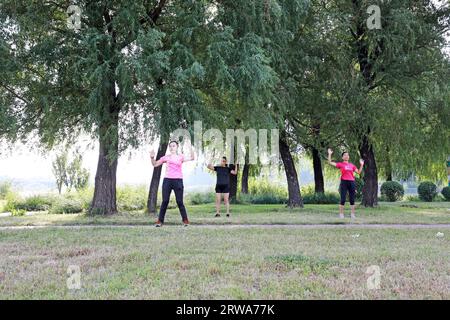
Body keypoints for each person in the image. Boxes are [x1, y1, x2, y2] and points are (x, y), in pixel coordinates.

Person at [150, 140, 195, 227]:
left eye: (173, 146)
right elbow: (155, 164)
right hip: (167, 180)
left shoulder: (180, 157)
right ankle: (160, 221)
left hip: (178, 180)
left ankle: (185, 221)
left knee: (179, 201)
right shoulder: (166, 157)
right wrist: (152, 157)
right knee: (165, 201)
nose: (171, 147)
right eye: (170, 146)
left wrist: (191, 148)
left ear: (177, 147)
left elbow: (192, 158)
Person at [327, 148, 364, 219]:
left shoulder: (352, 165)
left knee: (352, 199)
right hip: (344, 182)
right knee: (343, 199)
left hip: (352, 182)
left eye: (347, 155)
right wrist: (329, 154)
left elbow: (358, 172)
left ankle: (352, 214)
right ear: (342, 157)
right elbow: (330, 162)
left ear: (348, 157)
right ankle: (341, 214)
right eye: (345, 155)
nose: (346, 156)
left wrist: (361, 165)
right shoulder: (340, 164)